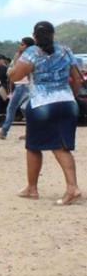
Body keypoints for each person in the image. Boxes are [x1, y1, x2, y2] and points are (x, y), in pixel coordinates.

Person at [10, 21, 82, 205]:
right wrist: (70, 96)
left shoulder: (31, 53)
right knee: (61, 145)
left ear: (34, 35)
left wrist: (17, 61)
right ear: (53, 34)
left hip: (42, 104)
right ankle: (33, 188)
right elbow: (77, 79)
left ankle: (64, 188)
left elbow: (15, 76)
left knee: (34, 146)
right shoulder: (65, 51)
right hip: (67, 102)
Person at [0, 37, 36, 140]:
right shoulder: (32, 55)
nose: (20, 47)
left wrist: (17, 55)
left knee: (11, 108)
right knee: (24, 108)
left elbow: (16, 69)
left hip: (22, 84)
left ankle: (4, 132)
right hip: (24, 85)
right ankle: (30, 132)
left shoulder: (25, 56)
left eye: (22, 45)